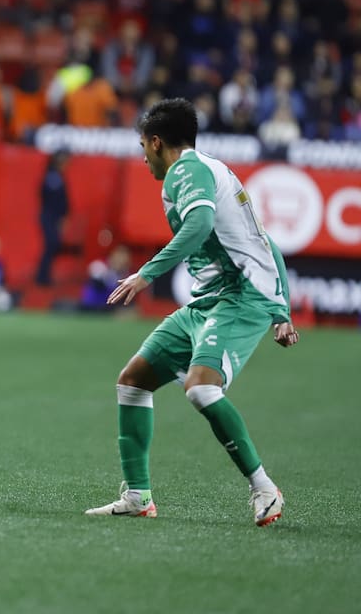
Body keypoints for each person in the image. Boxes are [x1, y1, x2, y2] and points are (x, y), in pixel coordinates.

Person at [86, 98, 299, 526]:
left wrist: (145, 274)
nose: (143, 156)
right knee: (133, 381)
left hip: (239, 297)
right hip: (210, 300)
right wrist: (284, 310)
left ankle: (264, 489)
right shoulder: (211, 169)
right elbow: (264, 241)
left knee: (201, 389)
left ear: (156, 141)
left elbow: (199, 225)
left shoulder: (186, 171)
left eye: (144, 146)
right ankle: (137, 496)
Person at [35, 150, 69, 285]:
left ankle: (44, 276)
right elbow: (55, 200)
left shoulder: (57, 177)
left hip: (53, 217)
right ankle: (42, 277)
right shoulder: (53, 178)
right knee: (51, 244)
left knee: (52, 245)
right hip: (50, 217)